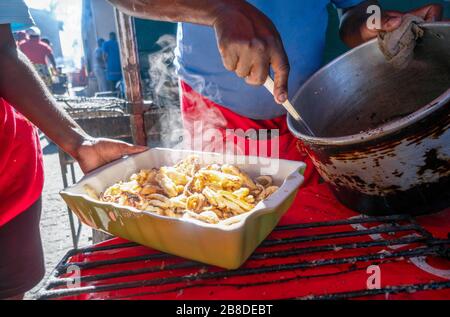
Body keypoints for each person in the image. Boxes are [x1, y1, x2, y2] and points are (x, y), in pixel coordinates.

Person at [109, 0, 442, 163]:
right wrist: (221, 9)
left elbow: (353, 11)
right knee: (224, 210)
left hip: (299, 118)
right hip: (216, 114)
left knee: (299, 222)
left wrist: (377, 21)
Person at [0, 0, 147, 300]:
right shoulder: (45, 45)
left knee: (10, 287)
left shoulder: (31, 44)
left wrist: (79, 143)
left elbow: (3, 52)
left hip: (8, 176)